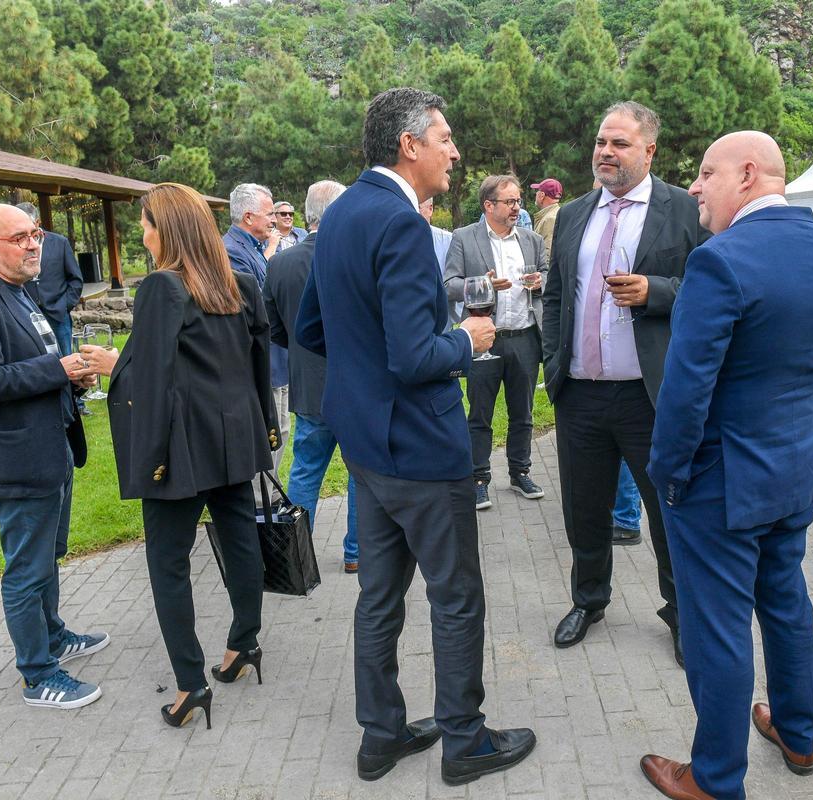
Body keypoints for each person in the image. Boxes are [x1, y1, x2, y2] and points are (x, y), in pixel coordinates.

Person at [295, 87, 536, 785]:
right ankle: (464, 743)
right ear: (410, 144)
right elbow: (413, 357)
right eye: (446, 138)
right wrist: (466, 339)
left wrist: (369, 364)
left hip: (365, 447)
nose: (456, 153)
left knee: (379, 597)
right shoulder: (399, 224)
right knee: (456, 597)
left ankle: (382, 737)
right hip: (423, 451)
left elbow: (313, 329)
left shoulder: (339, 213)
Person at [640, 132, 813, 800]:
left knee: (718, 627)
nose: (696, 186)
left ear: (749, 175)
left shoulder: (721, 260)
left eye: (706, 172)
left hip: (721, 482)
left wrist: (668, 475)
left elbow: (685, 390)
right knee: (786, 604)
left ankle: (715, 776)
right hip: (793, 467)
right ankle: (797, 732)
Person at [80, 182, 279, 730]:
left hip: (183, 448)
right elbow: (253, 365)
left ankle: (190, 684)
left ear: (165, 229)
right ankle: (243, 645)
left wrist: (107, 365)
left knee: (168, 563)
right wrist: (263, 429)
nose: (141, 234)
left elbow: (152, 375)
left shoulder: (163, 289)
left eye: (145, 223)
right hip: (235, 437)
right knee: (240, 539)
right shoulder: (237, 284)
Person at [541, 101, 704, 666]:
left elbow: (710, 291)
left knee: (666, 509)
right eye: (601, 142)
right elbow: (557, 296)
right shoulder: (573, 214)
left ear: (649, 150)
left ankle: (681, 612)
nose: (605, 153)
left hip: (648, 395)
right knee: (583, 509)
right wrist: (551, 364)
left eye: (620, 144)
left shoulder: (682, 209)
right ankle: (588, 600)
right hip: (580, 393)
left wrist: (656, 292)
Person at [0, 203, 108, 710]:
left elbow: (34, 363)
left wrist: (72, 380)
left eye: (34, 234)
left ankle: (53, 636)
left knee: (47, 555)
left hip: (50, 445)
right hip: (17, 456)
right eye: (19, 238)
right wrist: (59, 369)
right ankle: (38, 674)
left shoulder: (20, 290)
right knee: (26, 568)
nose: (34, 244)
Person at [264, 180, 360, 573]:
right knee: (360, 476)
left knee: (305, 473)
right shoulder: (354, 257)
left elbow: (273, 329)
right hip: (354, 387)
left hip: (308, 386)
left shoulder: (280, 263)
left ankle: (297, 557)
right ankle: (357, 553)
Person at [443, 174, 548, 510]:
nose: (516, 207)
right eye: (509, 202)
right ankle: (478, 478)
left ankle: (520, 472)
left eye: (518, 201)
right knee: (480, 414)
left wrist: (539, 281)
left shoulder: (531, 239)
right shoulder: (464, 237)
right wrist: (480, 285)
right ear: (489, 205)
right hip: (483, 339)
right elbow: (449, 283)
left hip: (524, 338)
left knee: (524, 412)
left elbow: (549, 273)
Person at [224, 183, 291, 476]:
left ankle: (269, 504)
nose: (274, 220)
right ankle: (259, 510)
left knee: (280, 433)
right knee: (268, 438)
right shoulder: (231, 252)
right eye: (269, 214)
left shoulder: (252, 249)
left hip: (275, 360)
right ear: (248, 217)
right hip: (259, 363)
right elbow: (255, 307)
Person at [15, 202, 83, 361]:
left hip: (58, 314)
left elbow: (76, 279)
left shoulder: (60, 242)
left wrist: (64, 306)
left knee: (66, 359)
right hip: (28, 315)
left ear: (37, 223)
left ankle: (70, 387)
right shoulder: (16, 246)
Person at [420, 198, 458, 327]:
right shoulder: (391, 241)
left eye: (418, 206)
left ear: (430, 209)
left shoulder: (449, 241)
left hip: (442, 329)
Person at [530, 177, 563, 259]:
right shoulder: (557, 213)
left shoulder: (550, 219)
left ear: (542, 195)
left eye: (537, 191)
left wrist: (543, 272)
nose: (535, 194)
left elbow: (547, 254)